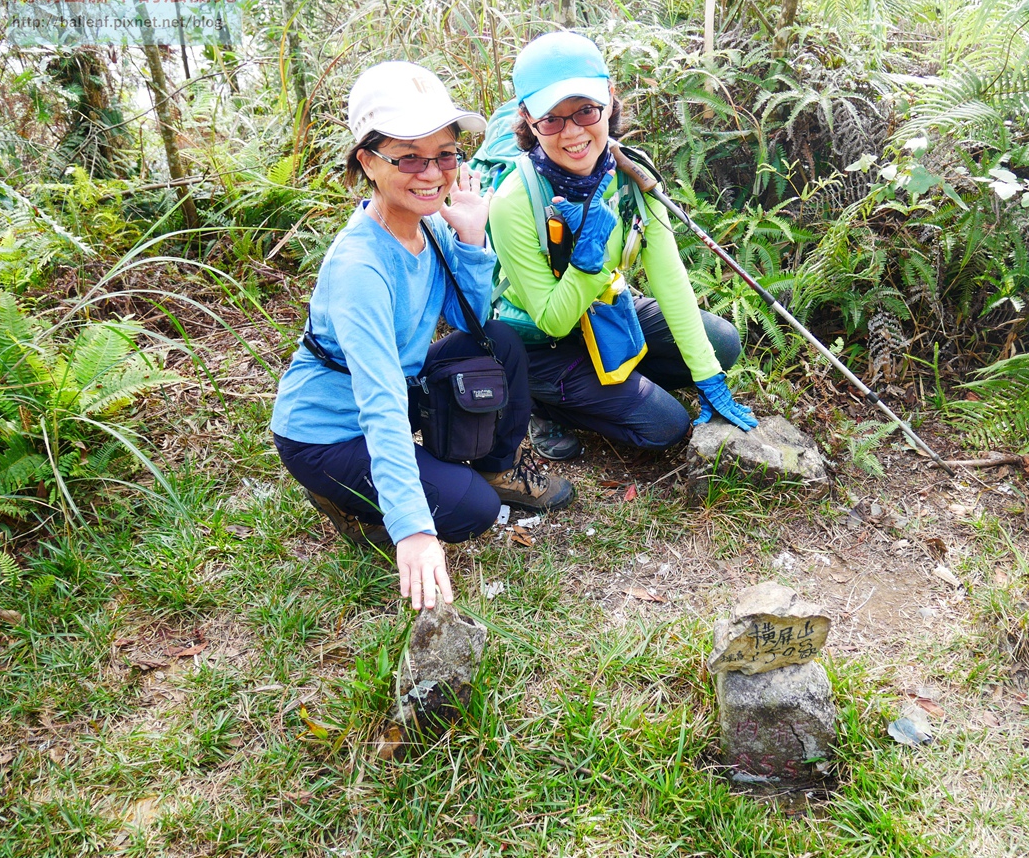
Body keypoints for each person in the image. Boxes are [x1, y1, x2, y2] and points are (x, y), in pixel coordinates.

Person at [271, 61, 572, 611]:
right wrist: (411, 525)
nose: (431, 173)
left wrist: (473, 238)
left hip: (403, 383)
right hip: (329, 433)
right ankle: (346, 499)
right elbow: (379, 400)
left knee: (500, 341)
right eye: (408, 157)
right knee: (472, 511)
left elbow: (470, 321)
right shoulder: (360, 267)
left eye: (445, 155)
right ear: (368, 161)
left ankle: (498, 466)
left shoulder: (428, 223)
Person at [486, 31, 758, 461]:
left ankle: (610, 381)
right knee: (667, 426)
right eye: (552, 119)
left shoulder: (633, 177)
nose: (572, 133)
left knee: (721, 343)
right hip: (539, 342)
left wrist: (707, 374)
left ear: (609, 99)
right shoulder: (513, 202)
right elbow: (553, 321)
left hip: (601, 312)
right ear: (527, 118)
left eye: (585, 110)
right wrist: (588, 258)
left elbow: (670, 280)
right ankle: (541, 403)